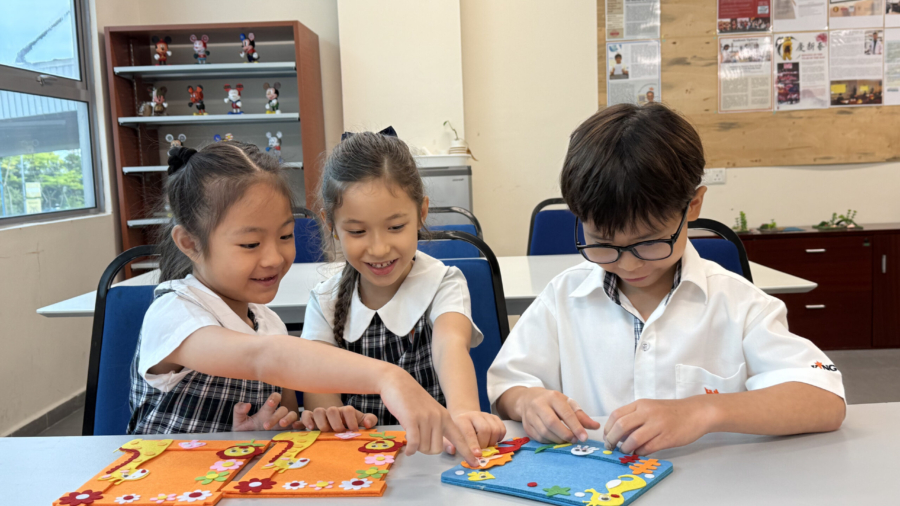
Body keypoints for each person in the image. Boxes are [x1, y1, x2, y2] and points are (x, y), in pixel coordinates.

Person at [488, 104, 846, 455]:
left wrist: (703, 410)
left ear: (692, 206)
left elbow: (825, 399)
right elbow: (507, 386)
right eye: (603, 243)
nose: (627, 264)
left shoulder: (739, 304)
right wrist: (528, 402)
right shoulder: (563, 298)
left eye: (649, 242)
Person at [127, 141, 479, 465]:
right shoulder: (173, 312)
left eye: (284, 236)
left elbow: (292, 423)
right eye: (250, 244)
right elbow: (264, 358)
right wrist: (389, 378)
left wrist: (258, 432)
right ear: (189, 243)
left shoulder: (268, 323)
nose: (274, 258)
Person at [301, 130, 506, 456]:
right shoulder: (325, 299)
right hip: (358, 461)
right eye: (357, 231)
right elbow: (317, 383)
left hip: (433, 451)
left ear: (422, 212)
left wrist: (464, 412)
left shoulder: (443, 281)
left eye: (395, 227)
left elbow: (450, 346)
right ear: (331, 224)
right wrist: (331, 415)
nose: (379, 248)